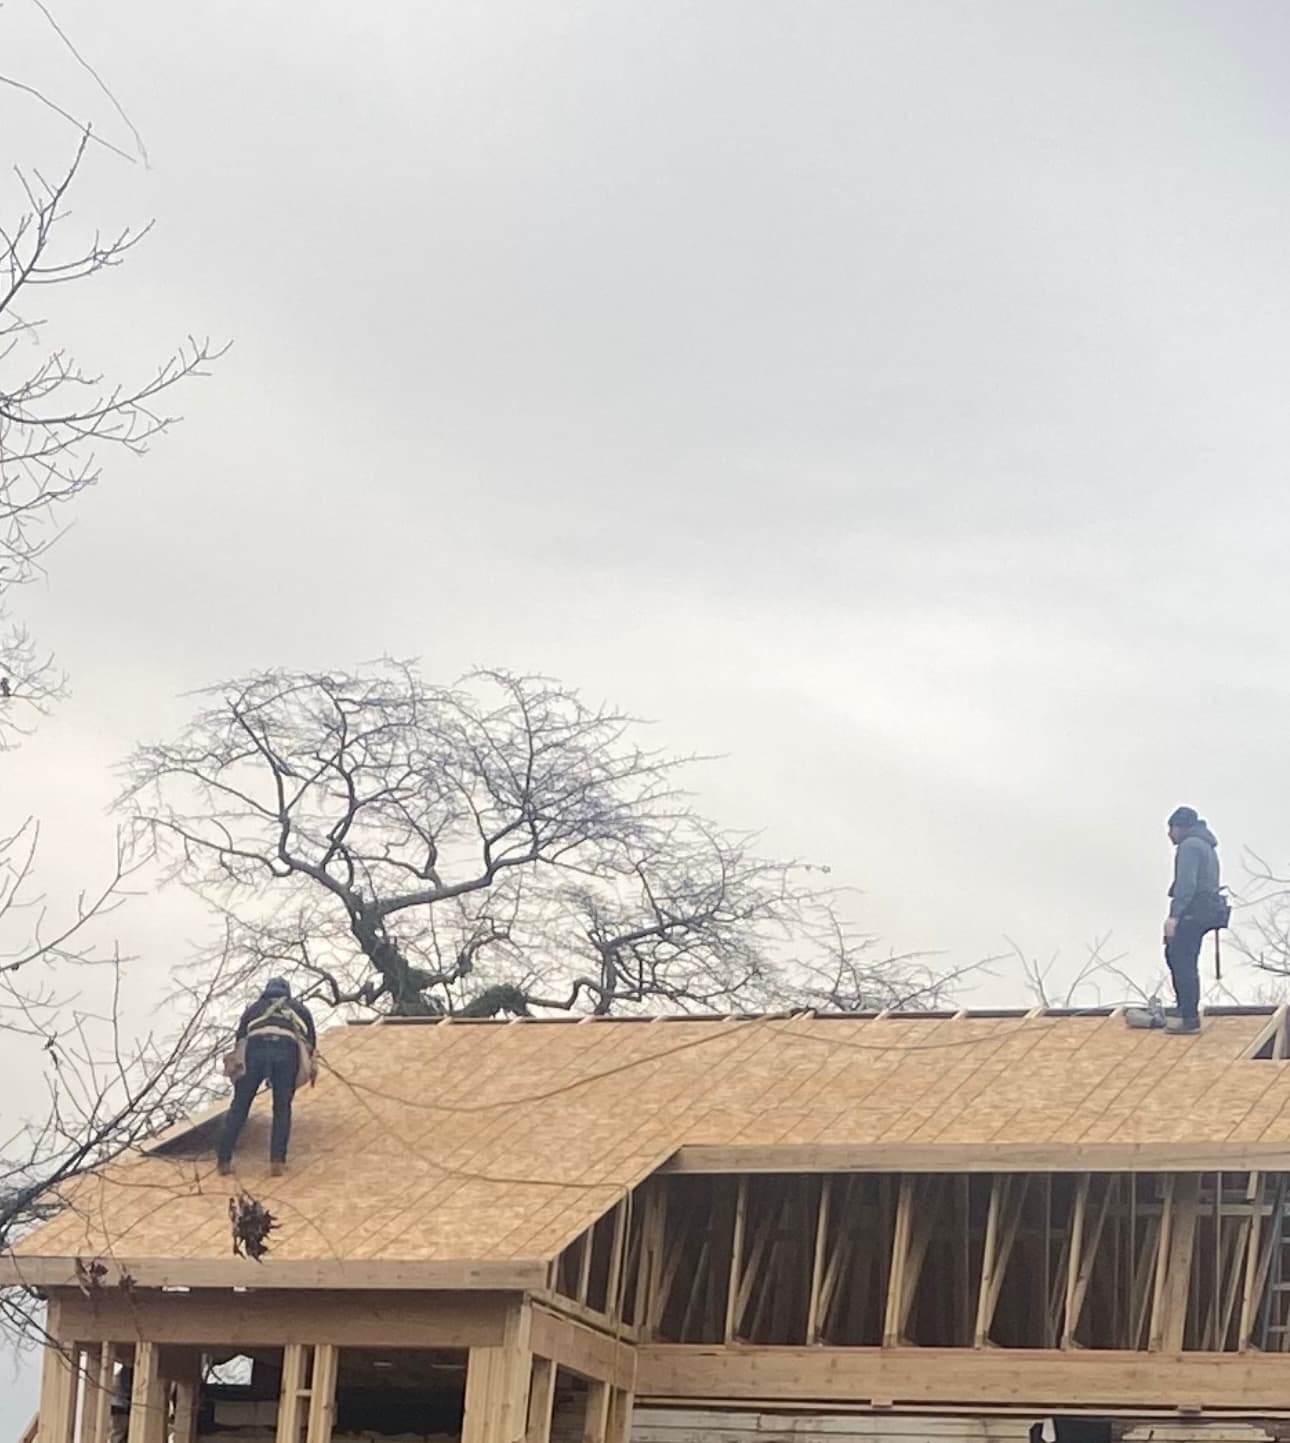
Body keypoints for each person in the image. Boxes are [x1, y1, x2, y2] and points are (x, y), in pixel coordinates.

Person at [216, 977, 317, 1176]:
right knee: (282, 1107)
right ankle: (277, 1163)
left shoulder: (253, 1009)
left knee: (240, 1105)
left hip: (255, 1049)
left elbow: (240, 1041)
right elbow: (310, 1043)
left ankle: (224, 1161)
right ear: (287, 993)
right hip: (286, 1051)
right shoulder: (299, 1009)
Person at [1163, 806, 1222, 1035]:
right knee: (1181, 956)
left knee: (1181, 957)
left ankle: (1188, 1017)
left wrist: (1175, 916)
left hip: (1192, 911)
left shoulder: (1189, 846)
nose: (1169, 834)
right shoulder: (1205, 844)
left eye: (1172, 828)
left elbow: (1186, 885)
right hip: (1205, 910)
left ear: (1182, 827)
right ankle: (1185, 1010)